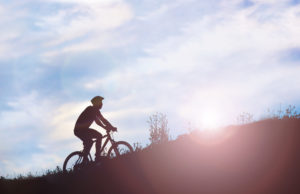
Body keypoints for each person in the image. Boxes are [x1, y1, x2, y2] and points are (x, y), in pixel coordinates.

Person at [74, 96, 117, 162]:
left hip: (81, 130)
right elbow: (100, 121)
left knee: (90, 142)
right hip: (80, 130)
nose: (102, 104)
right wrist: (108, 127)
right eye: (101, 102)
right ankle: (97, 157)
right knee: (98, 136)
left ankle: (85, 160)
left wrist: (109, 127)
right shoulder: (91, 109)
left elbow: (101, 120)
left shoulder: (95, 110)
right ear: (97, 103)